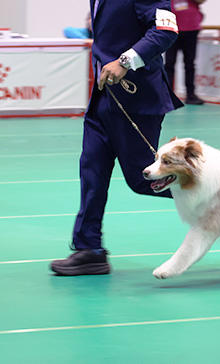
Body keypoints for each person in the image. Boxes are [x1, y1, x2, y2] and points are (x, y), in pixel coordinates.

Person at [50, 0, 183, 276]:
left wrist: (126, 61)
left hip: (137, 100)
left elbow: (165, 31)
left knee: (143, 180)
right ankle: (89, 250)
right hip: (103, 98)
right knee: (92, 173)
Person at [164, 0, 206, 105]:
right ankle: (167, 95)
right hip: (172, 29)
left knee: (190, 64)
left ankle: (190, 95)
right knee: (169, 64)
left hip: (191, 29)